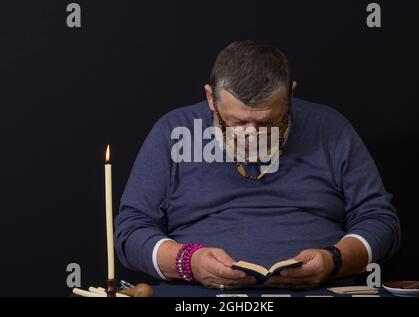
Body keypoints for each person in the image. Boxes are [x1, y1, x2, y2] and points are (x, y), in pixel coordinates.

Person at [115, 41, 401, 290]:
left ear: (290, 94)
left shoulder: (331, 129)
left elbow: (380, 221)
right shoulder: (172, 131)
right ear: (210, 98)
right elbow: (130, 232)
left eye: (267, 122)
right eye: (237, 121)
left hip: (321, 290)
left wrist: (334, 261)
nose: (252, 135)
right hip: (200, 295)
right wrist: (187, 261)